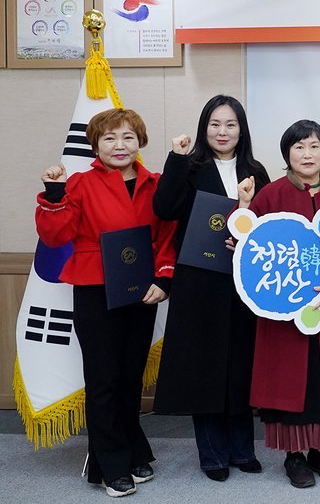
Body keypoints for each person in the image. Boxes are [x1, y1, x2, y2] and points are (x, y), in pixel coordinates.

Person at [36, 108, 176, 497]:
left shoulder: (156, 184)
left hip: (142, 292)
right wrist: (54, 194)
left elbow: (168, 237)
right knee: (103, 380)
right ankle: (109, 465)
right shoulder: (79, 184)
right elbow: (54, 236)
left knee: (130, 378)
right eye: (109, 138)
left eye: (128, 137)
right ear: (95, 145)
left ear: (140, 142)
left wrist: (164, 278)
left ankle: (131, 450)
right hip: (95, 291)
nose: (119, 145)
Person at [153, 95, 271, 482]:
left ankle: (242, 449)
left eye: (230, 124)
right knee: (204, 367)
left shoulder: (255, 171)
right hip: (199, 282)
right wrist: (175, 158)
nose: (223, 132)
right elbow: (165, 208)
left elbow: (268, 223)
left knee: (239, 364)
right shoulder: (190, 166)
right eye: (215, 124)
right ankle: (212, 454)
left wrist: (248, 237)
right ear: (205, 128)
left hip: (242, 282)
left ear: (242, 130)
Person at [238, 119, 320, 489]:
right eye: (299, 147)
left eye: (314, 146)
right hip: (283, 313)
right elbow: (247, 243)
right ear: (287, 154)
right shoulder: (269, 196)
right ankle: (293, 456)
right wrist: (242, 207)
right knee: (290, 381)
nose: (307, 154)